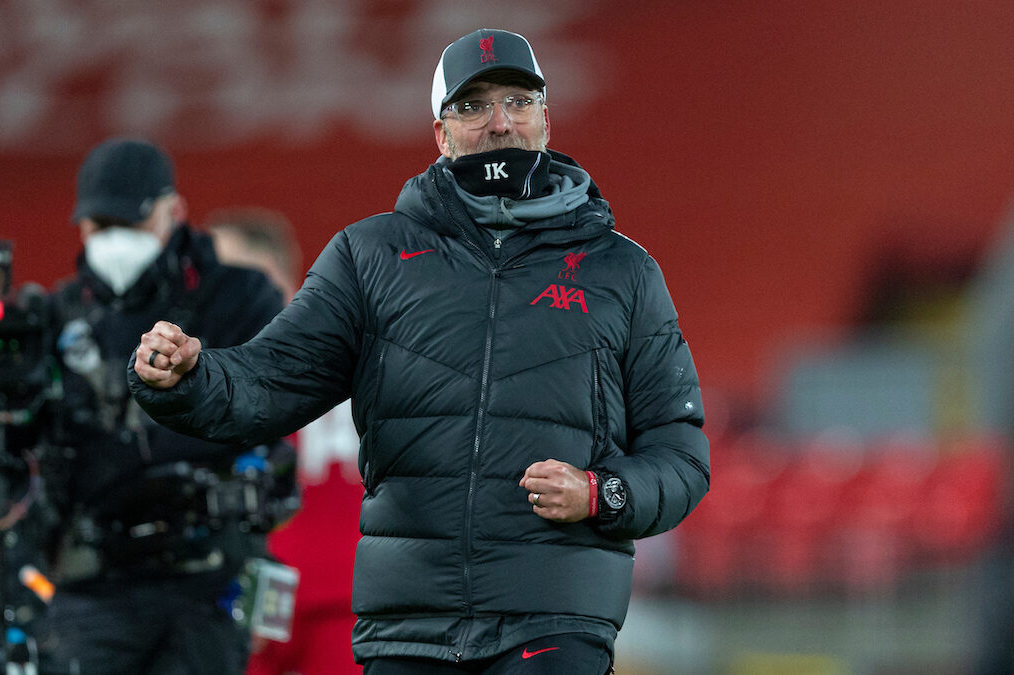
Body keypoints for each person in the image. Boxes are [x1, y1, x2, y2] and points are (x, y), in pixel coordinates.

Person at [129, 28, 710, 673]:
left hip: (552, 619)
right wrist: (189, 376)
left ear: (546, 119)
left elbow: (680, 456)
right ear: (439, 133)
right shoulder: (368, 256)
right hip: (409, 625)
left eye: (518, 100)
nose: (499, 123)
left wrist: (603, 493)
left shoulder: (622, 272)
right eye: (472, 106)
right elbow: (270, 380)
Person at [37, 138, 290, 674]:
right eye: (100, 226)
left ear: (174, 211)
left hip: (207, 576)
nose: (114, 241)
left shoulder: (239, 297)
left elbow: (269, 410)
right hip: (94, 582)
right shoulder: (59, 316)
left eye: (129, 222)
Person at [204, 207, 364, 675]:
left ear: (270, 274)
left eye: (222, 270)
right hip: (256, 603)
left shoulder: (349, 361)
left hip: (337, 605)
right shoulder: (217, 370)